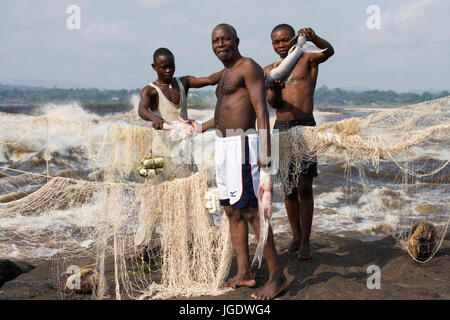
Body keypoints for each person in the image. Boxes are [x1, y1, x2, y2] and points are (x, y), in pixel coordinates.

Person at [196, 23, 288, 300]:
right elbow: (225, 114)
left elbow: (260, 109)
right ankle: (244, 273)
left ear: (236, 40)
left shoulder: (248, 66)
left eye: (225, 39)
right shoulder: (225, 74)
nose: (220, 44)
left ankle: (277, 277)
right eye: (215, 41)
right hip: (224, 146)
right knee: (231, 211)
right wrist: (197, 127)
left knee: (251, 212)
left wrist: (265, 149)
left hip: (244, 145)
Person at [264, 24, 334, 260]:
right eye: (276, 42)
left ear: (294, 39)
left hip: (305, 127)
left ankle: (306, 241)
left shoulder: (307, 59)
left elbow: (330, 51)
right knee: (288, 188)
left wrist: (315, 37)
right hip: (281, 129)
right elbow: (273, 105)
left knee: (305, 186)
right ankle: (295, 236)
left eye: (285, 40)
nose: (282, 45)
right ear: (272, 44)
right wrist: (274, 91)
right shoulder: (270, 70)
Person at [138, 47, 222, 129]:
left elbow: (210, 80)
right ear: (154, 67)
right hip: (161, 142)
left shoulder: (184, 82)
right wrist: (154, 118)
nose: (168, 70)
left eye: (171, 66)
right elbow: (142, 109)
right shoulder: (150, 91)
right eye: (164, 67)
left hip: (185, 139)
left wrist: (232, 68)